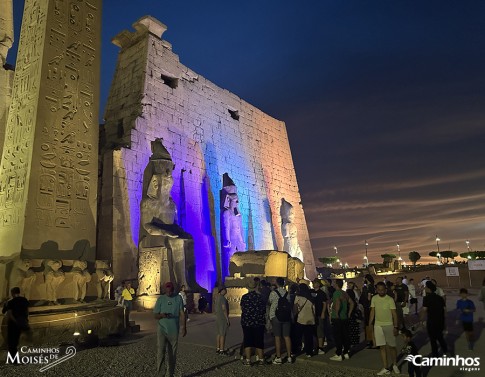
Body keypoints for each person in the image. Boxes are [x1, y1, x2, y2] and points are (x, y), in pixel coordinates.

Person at [153, 282, 186, 377]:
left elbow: (182, 313)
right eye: (167, 291)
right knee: (161, 351)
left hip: (174, 328)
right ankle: (160, 374)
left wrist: (184, 327)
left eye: (170, 291)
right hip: (162, 328)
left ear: (173, 290)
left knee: (172, 353)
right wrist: (162, 315)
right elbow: (155, 315)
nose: (169, 293)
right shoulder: (161, 299)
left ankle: (170, 374)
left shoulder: (178, 298)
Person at [369, 281, 399, 375]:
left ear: (385, 289)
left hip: (389, 324)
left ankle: (394, 364)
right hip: (378, 325)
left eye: (382, 290)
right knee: (382, 347)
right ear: (376, 290)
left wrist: (395, 326)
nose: (381, 291)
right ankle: (385, 367)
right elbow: (372, 311)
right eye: (379, 290)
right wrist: (370, 323)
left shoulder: (390, 299)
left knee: (392, 347)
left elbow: (394, 314)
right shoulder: (374, 298)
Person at [240, 280, 266, 366]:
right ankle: (261, 359)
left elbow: (242, 308)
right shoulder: (260, 297)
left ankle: (248, 360)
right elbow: (263, 309)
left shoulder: (244, 297)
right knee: (259, 340)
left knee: (248, 341)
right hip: (258, 322)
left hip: (247, 322)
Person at [268, 277, 293, 364]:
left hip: (276, 316)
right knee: (287, 336)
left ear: (277, 283)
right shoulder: (287, 293)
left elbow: (270, 301)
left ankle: (278, 357)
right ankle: (289, 356)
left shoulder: (273, 293)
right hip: (286, 316)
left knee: (277, 337)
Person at [2, 287, 30, 360]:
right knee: (16, 341)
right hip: (22, 323)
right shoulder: (24, 300)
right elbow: (27, 311)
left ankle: (14, 359)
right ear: (19, 292)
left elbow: (8, 313)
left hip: (13, 324)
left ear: (12, 293)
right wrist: (25, 320)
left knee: (12, 343)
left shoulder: (10, 302)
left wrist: (16, 322)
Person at [421, 281, 447, 357]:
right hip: (440, 321)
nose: (424, 288)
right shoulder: (440, 298)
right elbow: (444, 310)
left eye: (425, 287)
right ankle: (445, 350)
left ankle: (435, 354)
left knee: (433, 339)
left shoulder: (426, 298)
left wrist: (422, 320)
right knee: (440, 337)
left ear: (428, 288)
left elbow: (424, 310)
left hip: (431, 321)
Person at [329, 279, 352, 361]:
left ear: (336, 284)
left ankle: (338, 353)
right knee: (345, 335)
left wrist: (337, 312)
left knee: (337, 336)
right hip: (344, 317)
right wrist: (349, 313)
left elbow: (338, 302)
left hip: (337, 318)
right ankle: (346, 352)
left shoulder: (336, 293)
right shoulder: (344, 293)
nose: (332, 284)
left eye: (333, 282)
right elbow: (352, 303)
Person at [294, 283, 316, 358]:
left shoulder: (298, 297)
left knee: (298, 336)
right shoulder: (311, 297)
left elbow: (295, 309)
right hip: (310, 319)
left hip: (301, 319)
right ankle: (309, 352)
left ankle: (295, 350)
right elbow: (314, 309)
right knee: (309, 336)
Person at [311, 278, 328, 354]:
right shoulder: (311, 292)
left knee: (320, 330)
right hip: (312, 314)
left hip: (319, 313)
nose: (314, 284)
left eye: (315, 283)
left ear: (318, 284)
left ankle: (320, 347)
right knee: (314, 331)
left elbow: (324, 303)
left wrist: (323, 313)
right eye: (313, 283)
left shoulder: (321, 293)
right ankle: (316, 346)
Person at [360, 274, 376, 348]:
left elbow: (369, 298)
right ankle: (371, 340)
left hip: (368, 307)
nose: (363, 280)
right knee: (370, 324)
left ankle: (371, 340)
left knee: (369, 323)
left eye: (364, 279)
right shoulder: (372, 286)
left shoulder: (369, 287)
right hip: (369, 307)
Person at [215, 286, 230, 355]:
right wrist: (227, 319)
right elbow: (224, 308)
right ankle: (222, 350)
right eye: (225, 290)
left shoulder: (217, 298)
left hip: (218, 318)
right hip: (222, 318)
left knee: (218, 333)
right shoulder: (222, 298)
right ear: (222, 290)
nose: (226, 291)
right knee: (223, 334)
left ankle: (218, 348)